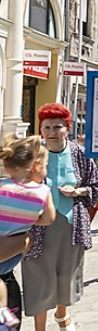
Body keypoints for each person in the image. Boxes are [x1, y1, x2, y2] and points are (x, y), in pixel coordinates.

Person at [23, 103, 98, 331]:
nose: (52, 132)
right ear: (41, 129)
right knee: (39, 276)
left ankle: (62, 314)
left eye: (58, 127)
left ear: (68, 128)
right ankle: (40, 328)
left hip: (70, 223)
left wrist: (77, 192)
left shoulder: (78, 153)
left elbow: (95, 185)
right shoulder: (32, 153)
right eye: (47, 127)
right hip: (37, 227)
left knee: (66, 273)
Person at [0, 135, 56, 329]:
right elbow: (49, 219)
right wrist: (31, 220)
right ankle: (4, 316)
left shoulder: (2, 188)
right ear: (37, 166)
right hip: (12, 252)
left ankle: (3, 314)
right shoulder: (42, 192)